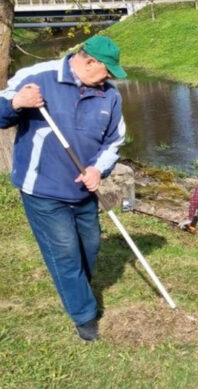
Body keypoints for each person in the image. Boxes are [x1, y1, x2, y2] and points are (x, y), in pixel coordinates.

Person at [0, 35, 127, 342]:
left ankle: (76, 288)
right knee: (65, 253)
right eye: (106, 70)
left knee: (90, 246)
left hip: (85, 190)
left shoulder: (109, 96)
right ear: (88, 61)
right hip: (42, 188)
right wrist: (16, 103)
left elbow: (115, 140)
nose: (109, 77)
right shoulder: (38, 77)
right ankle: (84, 315)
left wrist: (98, 169)